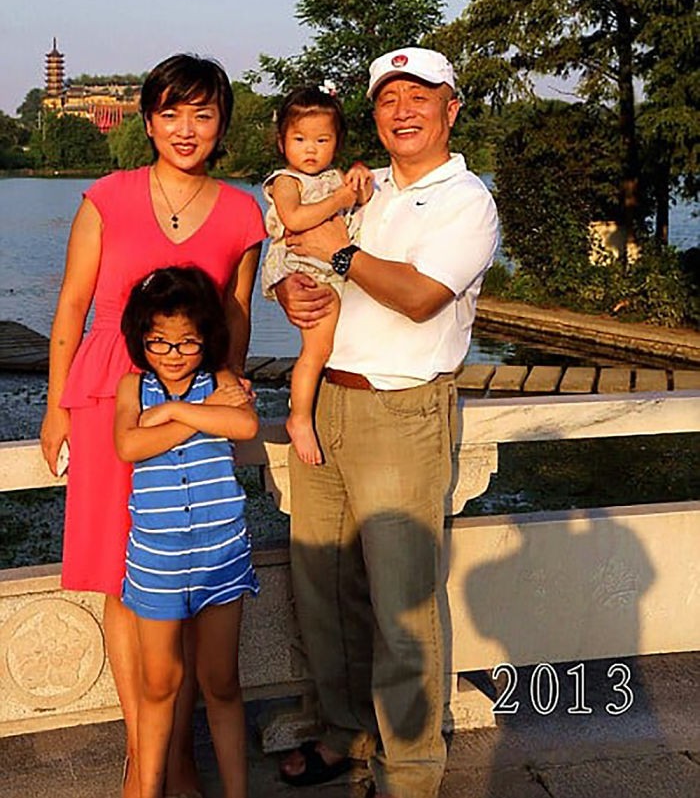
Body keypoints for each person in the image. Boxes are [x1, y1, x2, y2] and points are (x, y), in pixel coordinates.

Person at [39, 53, 266, 798]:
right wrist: (53, 407)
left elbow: (234, 313)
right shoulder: (107, 196)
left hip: (194, 399)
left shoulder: (242, 212)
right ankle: (147, 753)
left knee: (184, 565)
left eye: (202, 113)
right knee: (119, 573)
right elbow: (72, 307)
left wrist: (230, 377)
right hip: (110, 392)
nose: (186, 128)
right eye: (170, 113)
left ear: (222, 123)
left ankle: (178, 757)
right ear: (147, 121)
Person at [275, 47, 499, 798]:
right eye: (387, 99)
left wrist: (339, 250)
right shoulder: (359, 188)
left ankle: (408, 773)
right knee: (324, 590)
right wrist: (291, 297)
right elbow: (301, 255)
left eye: (419, 96)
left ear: (450, 109)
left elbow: (418, 296)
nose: (402, 111)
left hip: (402, 413)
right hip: (328, 402)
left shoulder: (467, 199)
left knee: (403, 605)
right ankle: (344, 734)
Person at [114, 266, 259, 798]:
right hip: (156, 560)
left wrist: (176, 410)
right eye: (158, 341)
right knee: (159, 684)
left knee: (221, 681)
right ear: (141, 337)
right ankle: (148, 787)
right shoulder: (133, 385)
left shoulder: (220, 380)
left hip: (222, 552)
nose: (172, 353)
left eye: (186, 342)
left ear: (207, 338)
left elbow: (244, 425)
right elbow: (127, 445)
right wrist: (202, 417)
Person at [260, 87, 373, 464]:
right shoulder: (285, 181)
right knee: (317, 348)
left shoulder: (333, 176)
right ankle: (299, 417)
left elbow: (364, 196)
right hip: (301, 266)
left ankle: (309, 408)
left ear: (336, 142)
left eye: (322, 140)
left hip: (329, 265)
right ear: (282, 142)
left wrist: (357, 174)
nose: (310, 149)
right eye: (300, 139)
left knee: (330, 342)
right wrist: (340, 199)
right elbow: (293, 219)